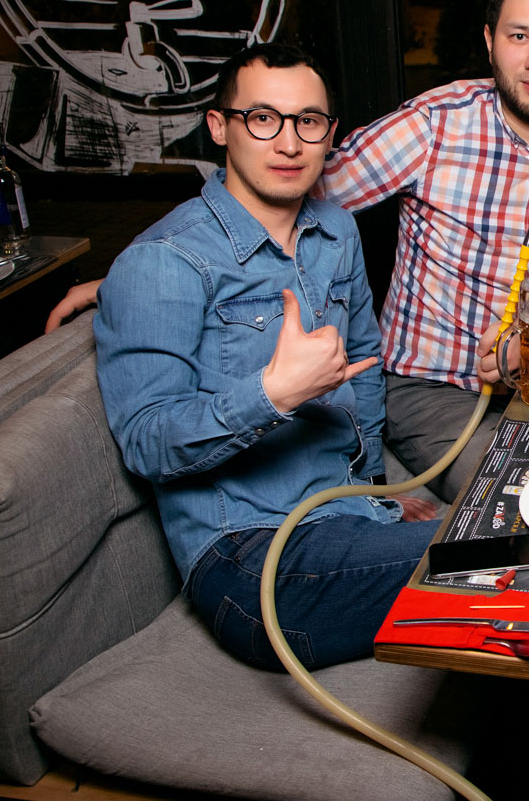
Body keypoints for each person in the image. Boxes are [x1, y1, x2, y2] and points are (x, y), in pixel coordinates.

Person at [56, 0, 529, 503]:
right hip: (435, 390)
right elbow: (282, 190)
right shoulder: (433, 126)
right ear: (490, 42)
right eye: (519, 36)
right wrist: (140, 274)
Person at [94, 43, 440, 671]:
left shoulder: (336, 231)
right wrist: (272, 395)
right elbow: (146, 442)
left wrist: (373, 491)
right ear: (219, 126)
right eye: (262, 118)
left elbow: (364, 363)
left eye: (308, 121)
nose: (288, 143)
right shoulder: (161, 262)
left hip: (344, 520)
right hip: (251, 560)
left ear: (329, 132)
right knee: (519, 555)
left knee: (520, 538)